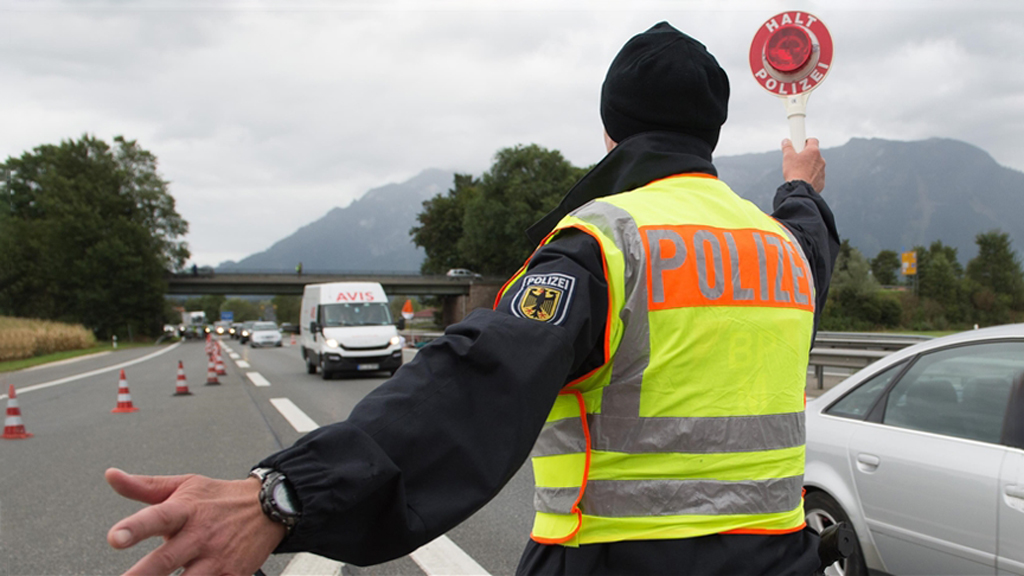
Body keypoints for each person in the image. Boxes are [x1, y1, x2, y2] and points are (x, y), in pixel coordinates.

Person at [106, 22, 838, 575]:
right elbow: (814, 238)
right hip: (781, 559)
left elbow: (476, 379)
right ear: (712, 131)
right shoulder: (784, 252)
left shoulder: (607, 240)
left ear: (611, 133)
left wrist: (284, 495)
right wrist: (799, 186)